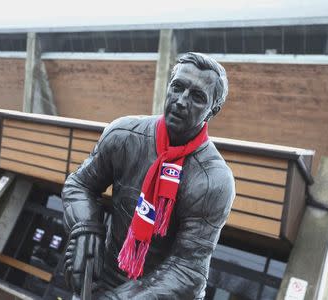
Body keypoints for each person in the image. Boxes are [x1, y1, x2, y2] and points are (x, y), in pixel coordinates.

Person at [62, 52, 235, 299]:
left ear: (212, 110)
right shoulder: (124, 134)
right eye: (177, 87)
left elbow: (188, 269)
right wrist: (85, 228)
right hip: (104, 278)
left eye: (197, 97)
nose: (181, 101)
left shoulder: (214, 181)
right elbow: (80, 184)